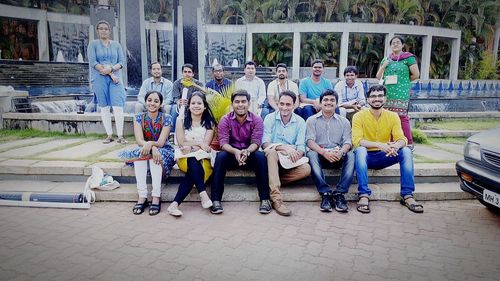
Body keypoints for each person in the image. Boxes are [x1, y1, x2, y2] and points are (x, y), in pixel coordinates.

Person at [352, 85, 423, 214]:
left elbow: (402, 139)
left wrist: (396, 146)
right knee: (360, 150)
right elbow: (357, 141)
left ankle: (407, 195)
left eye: (380, 96)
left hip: (385, 155)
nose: (377, 99)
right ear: (368, 99)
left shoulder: (393, 116)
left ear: (385, 99)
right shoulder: (359, 116)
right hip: (365, 157)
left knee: (406, 151)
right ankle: (363, 195)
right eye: (373, 96)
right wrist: (380, 145)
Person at [210, 90, 271, 214]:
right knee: (220, 157)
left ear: (248, 104)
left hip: (249, 154)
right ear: (232, 104)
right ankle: (215, 200)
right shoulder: (225, 119)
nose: (240, 104)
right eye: (237, 102)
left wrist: (246, 151)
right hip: (231, 154)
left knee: (261, 157)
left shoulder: (256, 120)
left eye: (243, 101)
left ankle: (265, 199)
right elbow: (223, 143)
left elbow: (256, 142)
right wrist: (236, 152)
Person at [118, 91, 175, 216]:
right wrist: (150, 147)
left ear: (160, 104)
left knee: (155, 156)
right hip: (145, 148)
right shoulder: (138, 117)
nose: (152, 103)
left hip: (164, 150)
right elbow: (139, 140)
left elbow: (160, 142)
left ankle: (156, 196)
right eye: (149, 100)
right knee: (142, 156)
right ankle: (142, 197)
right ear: (145, 102)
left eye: (156, 101)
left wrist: (152, 146)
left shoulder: (167, 118)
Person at [167, 92, 216, 217]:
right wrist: (198, 143)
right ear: (188, 106)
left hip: (203, 159)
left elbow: (205, 146)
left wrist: (192, 146)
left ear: (205, 106)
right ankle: (203, 194)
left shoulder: (209, 123)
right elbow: (181, 142)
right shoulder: (180, 120)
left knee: (193, 167)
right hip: (184, 159)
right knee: (192, 159)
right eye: (193, 103)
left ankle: (174, 205)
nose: (196, 106)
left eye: (199, 103)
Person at [262, 90, 310, 216]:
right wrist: (283, 148)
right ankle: (276, 199)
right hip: (273, 155)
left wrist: (296, 153)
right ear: (277, 104)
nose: (284, 107)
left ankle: (271, 183)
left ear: (294, 105)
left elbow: (301, 146)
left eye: (288, 104)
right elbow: (265, 143)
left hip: (290, 158)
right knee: (271, 153)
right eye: (281, 104)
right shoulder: (269, 118)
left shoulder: (300, 121)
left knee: (306, 169)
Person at [306, 89, 354, 213]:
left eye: (332, 100)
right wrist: (324, 153)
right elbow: (310, 141)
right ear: (320, 103)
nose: (329, 102)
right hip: (320, 156)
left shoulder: (344, 122)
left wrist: (341, 152)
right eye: (325, 100)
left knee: (351, 155)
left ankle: (340, 193)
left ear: (337, 104)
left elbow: (348, 142)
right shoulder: (311, 120)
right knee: (311, 154)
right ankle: (325, 193)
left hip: (338, 155)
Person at [87, 20, 127, 144]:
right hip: (99, 77)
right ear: (97, 31)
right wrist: (109, 73)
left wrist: (112, 69)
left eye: (106, 28)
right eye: (101, 28)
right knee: (104, 107)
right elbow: (93, 62)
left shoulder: (116, 45)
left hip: (116, 78)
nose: (104, 31)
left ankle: (120, 136)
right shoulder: (93, 44)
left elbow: (122, 62)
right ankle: (109, 135)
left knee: (118, 106)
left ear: (110, 31)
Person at [375, 35, 420, 147]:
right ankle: (390, 142)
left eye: (398, 42)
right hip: (388, 92)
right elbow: (378, 76)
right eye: (393, 43)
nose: (395, 44)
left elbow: (416, 75)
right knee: (388, 117)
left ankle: (408, 143)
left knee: (402, 117)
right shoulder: (386, 59)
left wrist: (403, 82)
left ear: (403, 45)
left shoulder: (408, 58)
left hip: (401, 92)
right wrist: (383, 66)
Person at [170, 63, 203, 132]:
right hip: (180, 104)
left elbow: (200, 97)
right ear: (182, 73)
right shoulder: (177, 83)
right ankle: (172, 132)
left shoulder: (198, 84)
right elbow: (175, 97)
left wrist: (190, 102)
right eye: (185, 72)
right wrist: (178, 101)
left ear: (193, 74)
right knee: (173, 108)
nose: (187, 74)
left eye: (189, 72)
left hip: (193, 104)